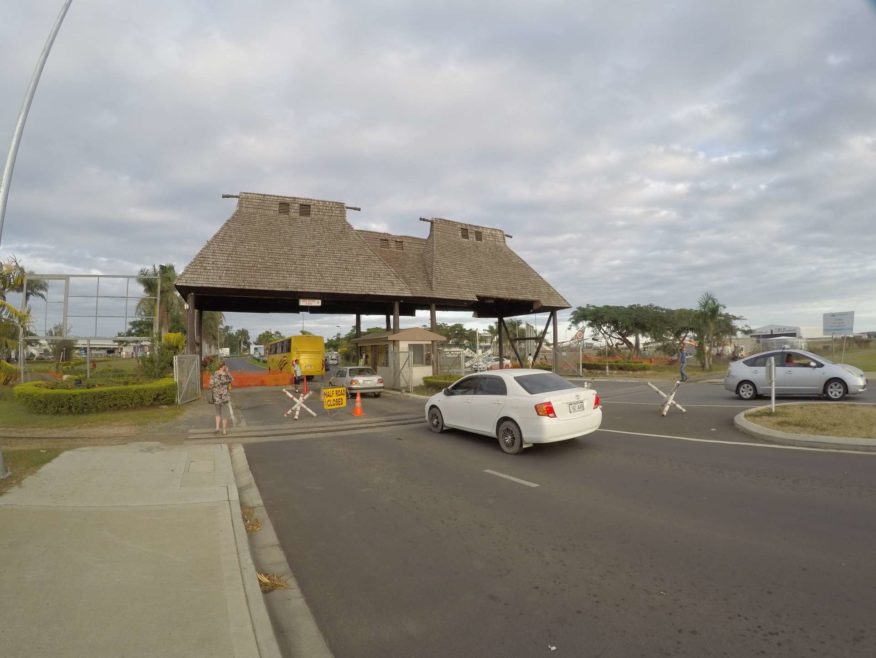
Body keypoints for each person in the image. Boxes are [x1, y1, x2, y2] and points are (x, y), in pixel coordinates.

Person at [210, 361, 234, 435]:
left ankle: (217, 428)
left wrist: (213, 386)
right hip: (224, 397)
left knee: (218, 413)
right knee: (225, 414)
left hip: (216, 397)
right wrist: (227, 372)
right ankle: (224, 431)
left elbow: (210, 384)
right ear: (223, 366)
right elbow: (232, 380)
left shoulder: (214, 374)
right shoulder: (226, 374)